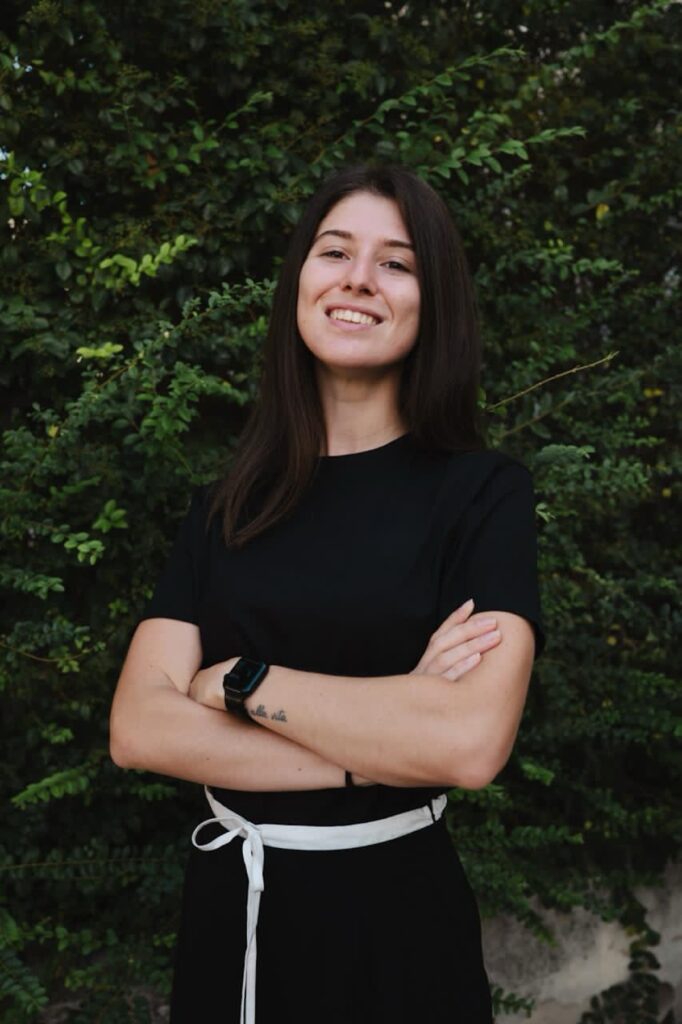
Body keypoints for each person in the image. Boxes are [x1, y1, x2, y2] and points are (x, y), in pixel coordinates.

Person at [109, 162, 546, 1024]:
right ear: (300, 283)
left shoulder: (483, 495)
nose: (358, 279)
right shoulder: (224, 506)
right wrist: (387, 736)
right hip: (232, 915)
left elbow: (468, 744)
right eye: (335, 251)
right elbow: (137, 728)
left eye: (397, 262)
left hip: (397, 934)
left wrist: (241, 684)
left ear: (434, 302)